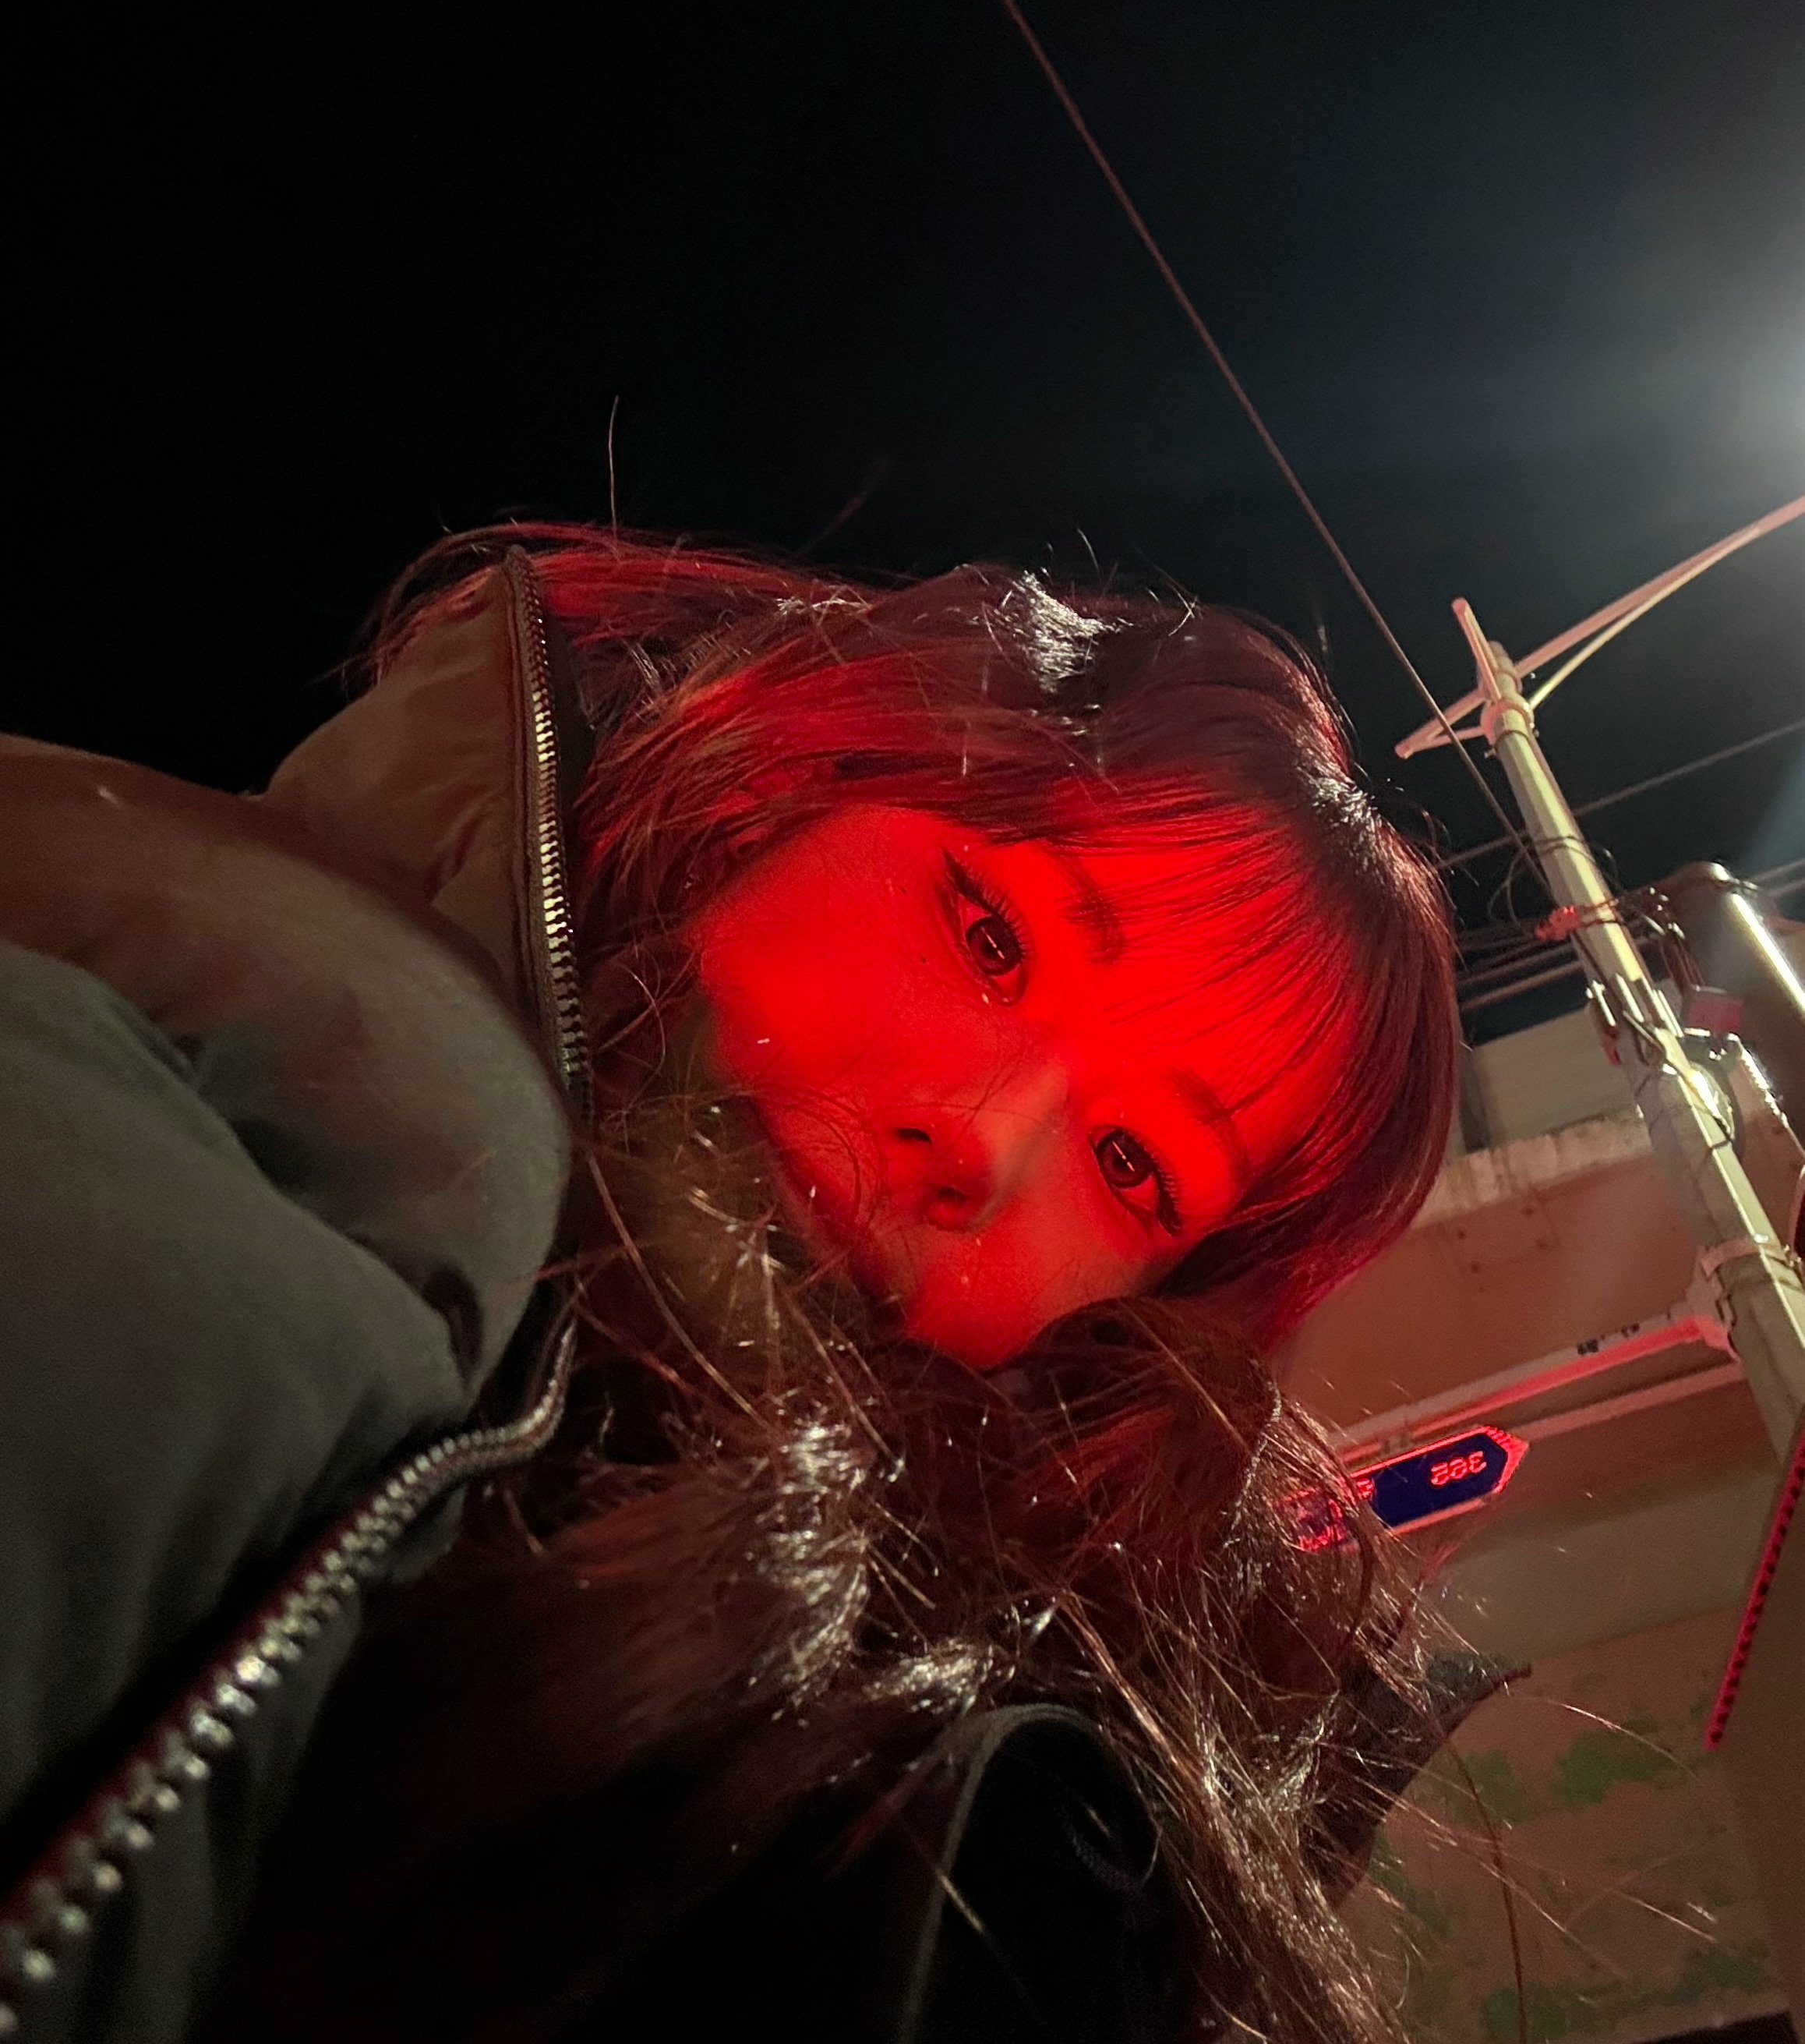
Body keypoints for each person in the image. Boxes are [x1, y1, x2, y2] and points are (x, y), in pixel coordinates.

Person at [0, 525, 1478, 2044]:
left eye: (1131, 1163)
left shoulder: (925, 1724)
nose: (981, 1140)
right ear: (788, 783)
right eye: (990, 935)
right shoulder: (279, 1042)